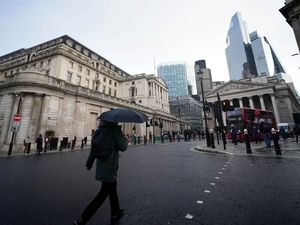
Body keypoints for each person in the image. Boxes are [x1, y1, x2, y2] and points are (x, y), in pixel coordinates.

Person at [73, 120, 128, 225]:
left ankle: (116, 211)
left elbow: (93, 148)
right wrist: (124, 139)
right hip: (110, 166)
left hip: (101, 165)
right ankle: (83, 218)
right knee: (103, 194)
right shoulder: (114, 130)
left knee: (112, 189)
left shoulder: (99, 130)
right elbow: (123, 147)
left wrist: (89, 163)